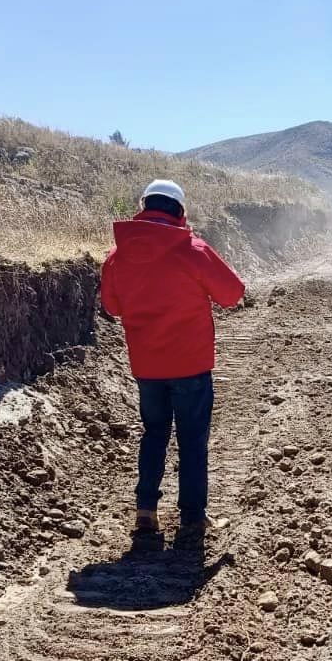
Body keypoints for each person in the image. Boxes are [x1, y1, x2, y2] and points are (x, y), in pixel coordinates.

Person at [100, 180, 246, 536]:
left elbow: (111, 307)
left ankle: (145, 510)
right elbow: (232, 293)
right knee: (192, 440)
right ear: (180, 212)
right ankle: (193, 518)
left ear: (143, 206)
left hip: (147, 368)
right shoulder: (192, 250)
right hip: (190, 366)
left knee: (154, 434)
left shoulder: (117, 257)